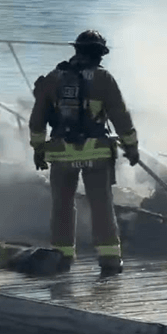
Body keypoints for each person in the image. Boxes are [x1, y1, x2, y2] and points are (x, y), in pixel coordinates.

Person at [29, 30, 140, 277]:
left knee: (62, 206)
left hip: (60, 155)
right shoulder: (104, 79)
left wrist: (38, 149)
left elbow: (37, 119)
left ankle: (62, 257)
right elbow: (120, 116)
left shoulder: (53, 79)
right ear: (100, 54)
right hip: (97, 155)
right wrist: (131, 146)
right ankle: (110, 260)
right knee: (101, 205)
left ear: (76, 50)